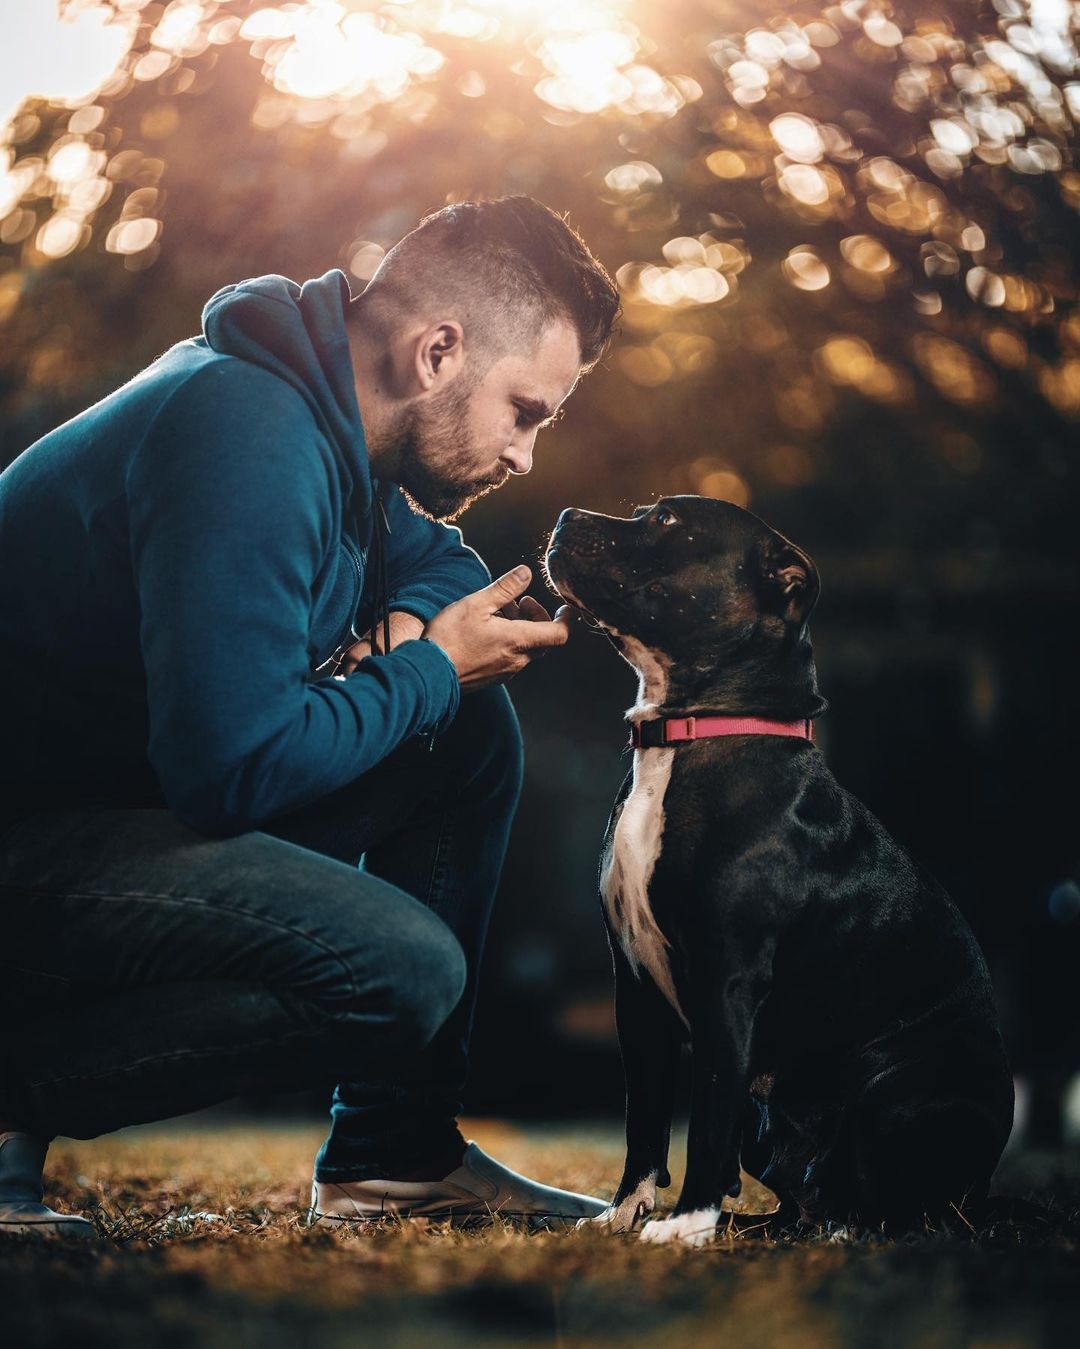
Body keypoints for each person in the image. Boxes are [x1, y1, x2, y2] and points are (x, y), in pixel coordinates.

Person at [0, 196, 620, 1237]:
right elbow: (231, 771)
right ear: (437, 353)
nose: (524, 456)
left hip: (100, 822)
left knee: (466, 734)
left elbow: (449, 570)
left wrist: (413, 651)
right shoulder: (246, 428)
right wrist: (422, 668)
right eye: (525, 409)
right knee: (400, 969)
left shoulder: (344, 448)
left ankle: (395, 1152)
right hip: (27, 845)